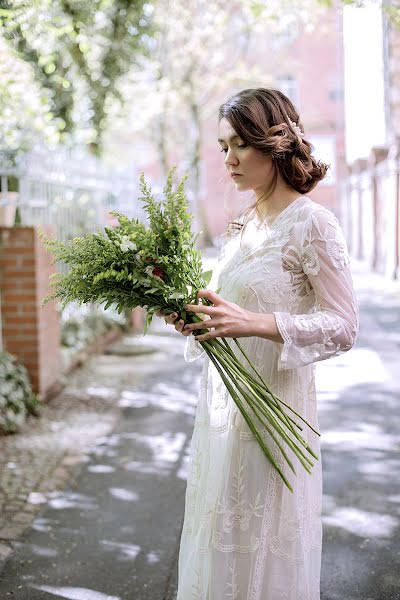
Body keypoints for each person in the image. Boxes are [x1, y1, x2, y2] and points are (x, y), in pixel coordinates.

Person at [157, 88, 359, 600]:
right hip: (223, 415)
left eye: (239, 146)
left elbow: (342, 324)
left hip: (276, 414)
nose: (228, 160)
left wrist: (261, 323)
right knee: (221, 548)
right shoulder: (244, 225)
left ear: (274, 144)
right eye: (222, 147)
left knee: (264, 551)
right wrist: (194, 317)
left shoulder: (313, 223)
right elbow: (233, 314)